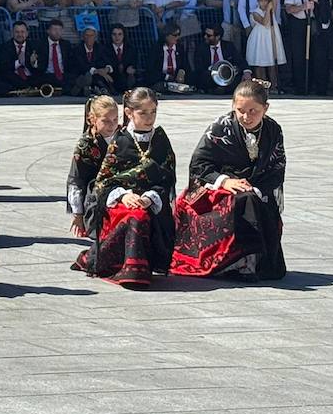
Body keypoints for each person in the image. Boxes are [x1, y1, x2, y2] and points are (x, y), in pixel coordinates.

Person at [170, 82, 286, 281]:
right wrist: (224, 181)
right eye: (240, 110)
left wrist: (257, 187)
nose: (246, 117)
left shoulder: (273, 130)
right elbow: (199, 164)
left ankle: (258, 262)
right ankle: (239, 263)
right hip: (218, 189)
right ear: (233, 105)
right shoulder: (220, 127)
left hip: (255, 187)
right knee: (244, 200)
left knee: (253, 199)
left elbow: (277, 168)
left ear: (265, 109)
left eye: (253, 111)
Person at [73, 87, 176, 288]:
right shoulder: (120, 141)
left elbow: (167, 178)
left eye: (153, 111)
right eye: (143, 113)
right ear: (129, 113)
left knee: (142, 213)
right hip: (121, 201)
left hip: (152, 199)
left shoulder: (161, 140)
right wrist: (123, 196)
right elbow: (104, 182)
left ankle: (142, 265)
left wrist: (150, 197)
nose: (149, 118)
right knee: (135, 216)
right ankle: (131, 268)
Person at [66, 95, 119, 238]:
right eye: (106, 121)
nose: (112, 125)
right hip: (96, 194)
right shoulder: (85, 145)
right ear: (92, 119)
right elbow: (76, 180)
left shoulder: (123, 137)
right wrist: (78, 215)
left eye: (115, 120)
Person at [282, 0, 332, 96]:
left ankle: (321, 88)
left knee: (319, 56)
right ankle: (302, 87)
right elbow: (289, 8)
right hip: (299, 23)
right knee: (299, 56)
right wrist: (303, 7)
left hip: (316, 24)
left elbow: (327, 4)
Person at [0, 20, 42, 96]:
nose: (20, 34)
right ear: (12, 33)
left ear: (27, 33)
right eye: (17, 32)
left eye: (22, 32)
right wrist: (18, 62)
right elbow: (3, 67)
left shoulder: (35, 46)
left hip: (30, 76)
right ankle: (25, 87)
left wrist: (34, 63)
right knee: (5, 76)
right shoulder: (5, 47)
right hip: (13, 76)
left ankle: (25, 88)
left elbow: (41, 66)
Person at [192, 23, 244, 94]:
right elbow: (199, 67)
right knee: (202, 77)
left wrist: (237, 69)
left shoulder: (229, 46)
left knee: (238, 78)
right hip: (210, 75)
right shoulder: (201, 48)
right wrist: (212, 69)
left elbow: (240, 61)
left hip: (226, 76)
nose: (205, 37)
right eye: (205, 34)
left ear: (218, 37)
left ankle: (222, 89)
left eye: (209, 36)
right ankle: (217, 89)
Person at [67, 26, 115, 97]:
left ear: (95, 37)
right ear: (83, 37)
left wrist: (106, 69)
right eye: (87, 35)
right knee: (87, 76)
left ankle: (95, 89)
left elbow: (108, 61)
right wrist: (96, 71)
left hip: (98, 75)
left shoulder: (101, 48)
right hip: (81, 74)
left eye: (91, 35)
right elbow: (80, 65)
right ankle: (84, 88)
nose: (89, 38)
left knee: (100, 78)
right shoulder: (77, 49)